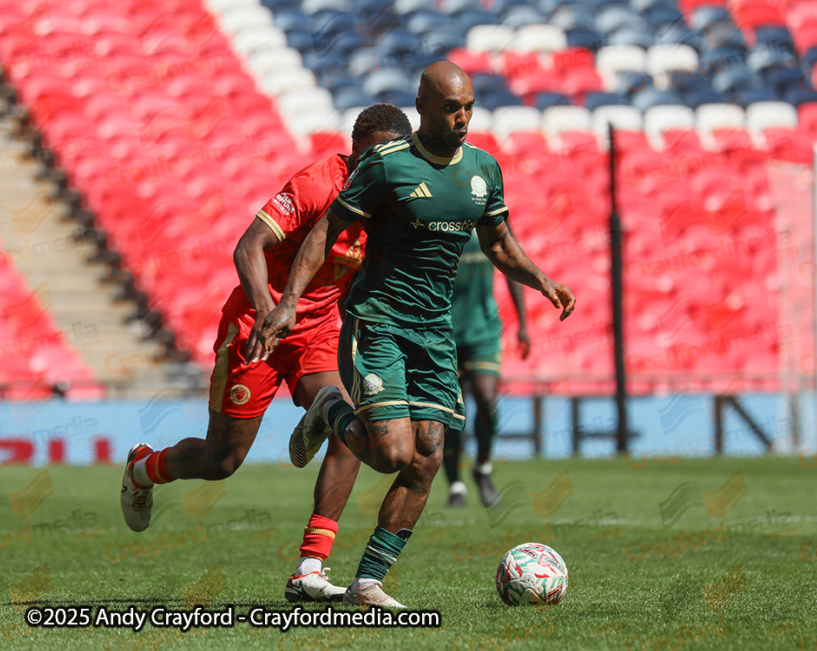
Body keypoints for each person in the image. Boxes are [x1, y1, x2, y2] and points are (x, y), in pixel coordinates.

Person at [257, 61, 575, 608]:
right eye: (452, 108)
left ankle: (368, 582)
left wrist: (542, 279)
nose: (463, 117)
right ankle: (330, 408)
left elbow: (499, 244)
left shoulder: (483, 170)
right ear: (423, 107)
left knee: (427, 454)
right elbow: (325, 231)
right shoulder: (386, 165)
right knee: (389, 454)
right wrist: (287, 302)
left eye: (469, 106)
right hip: (378, 321)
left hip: (435, 331)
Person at [119, 104, 413, 603]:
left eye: (390, 157)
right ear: (354, 148)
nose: (378, 165)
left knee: (350, 430)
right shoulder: (318, 183)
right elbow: (247, 247)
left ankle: (309, 568)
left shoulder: (391, 202)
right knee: (221, 460)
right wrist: (268, 309)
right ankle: (144, 468)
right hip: (258, 323)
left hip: (317, 330)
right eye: (371, 154)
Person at [443, 233, 530, 508]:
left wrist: (523, 324)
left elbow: (512, 264)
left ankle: (483, 468)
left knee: (487, 398)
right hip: (443, 331)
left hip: (484, 330)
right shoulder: (436, 214)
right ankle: (455, 485)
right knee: (451, 411)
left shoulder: (490, 215)